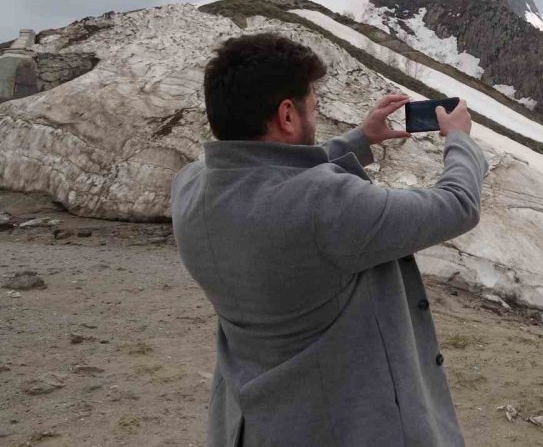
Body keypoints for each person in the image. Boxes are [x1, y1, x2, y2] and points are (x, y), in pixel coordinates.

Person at [170, 32, 487, 446]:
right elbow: (458, 203)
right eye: (312, 108)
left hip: (253, 423)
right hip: (339, 424)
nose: (314, 117)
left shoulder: (191, 186)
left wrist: (360, 139)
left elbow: (269, 172)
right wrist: (459, 140)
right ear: (287, 115)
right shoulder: (325, 204)